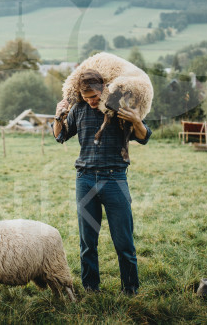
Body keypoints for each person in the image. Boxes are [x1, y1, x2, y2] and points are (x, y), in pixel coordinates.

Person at [53, 70, 151, 295]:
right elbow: (60, 136)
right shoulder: (78, 109)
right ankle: (90, 288)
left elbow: (144, 137)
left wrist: (136, 119)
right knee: (88, 242)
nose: (91, 101)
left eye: (94, 96)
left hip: (115, 179)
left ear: (104, 89)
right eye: (86, 97)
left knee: (124, 241)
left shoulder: (119, 106)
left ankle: (130, 289)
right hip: (85, 180)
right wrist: (59, 116)